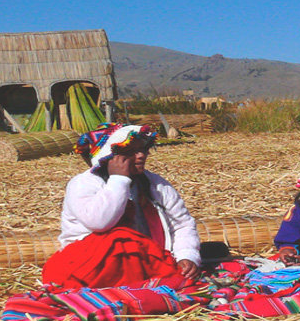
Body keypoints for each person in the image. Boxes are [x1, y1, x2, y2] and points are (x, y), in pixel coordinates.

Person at [42, 123, 200, 288]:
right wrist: (119, 180)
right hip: (91, 267)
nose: (141, 156)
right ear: (109, 156)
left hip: (147, 261)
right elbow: (99, 222)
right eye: (130, 152)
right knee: (121, 240)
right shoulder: (83, 184)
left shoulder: (155, 184)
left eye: (143, 149)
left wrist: (187, 256)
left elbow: (182, 224)